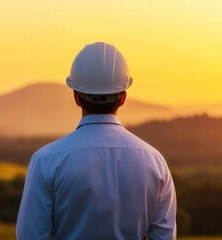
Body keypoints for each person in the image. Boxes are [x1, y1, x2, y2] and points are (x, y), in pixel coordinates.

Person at [16, 42, 177, 240]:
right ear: (123, 98)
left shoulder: (45, 161)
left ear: (76, 97)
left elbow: (29, 236)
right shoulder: (156, 163)